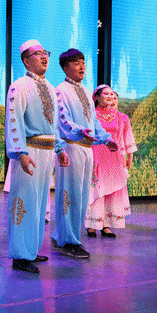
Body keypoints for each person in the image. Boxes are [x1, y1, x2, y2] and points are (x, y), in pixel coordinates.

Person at [5, 39, 69, 274]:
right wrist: (20, 152)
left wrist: (60, 148)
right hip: (30, 149)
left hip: (47, 152)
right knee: (24, 201)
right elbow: (14, 120)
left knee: (40, 204)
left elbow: (55, 124)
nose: (44, 57)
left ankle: (30, 249)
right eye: (38, 53)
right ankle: (20, 255)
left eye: (46, 53)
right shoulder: (19, 86)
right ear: (26, 60)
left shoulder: (50, 88)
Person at [52, 49, 118, 259]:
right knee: (69, 196)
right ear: (65, 68)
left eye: (83, 62)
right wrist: (80, 132)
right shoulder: (61, 90)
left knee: (81, 197)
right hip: (72, 147)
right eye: (76, 63)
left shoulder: (85, 91)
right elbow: (62, 120)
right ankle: (69, 241)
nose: (81, 66)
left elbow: (93, 121)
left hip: (86, 149)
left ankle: (62, 235)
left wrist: (105, 138)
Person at [86, 85, 137, 237]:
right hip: (96, 154)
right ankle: (92, 223)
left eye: (111, 94)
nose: (109, 96)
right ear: (96, 97)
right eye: (105, 94)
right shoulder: (91, 114)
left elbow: (123, 137)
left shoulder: (119, 116)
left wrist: (128, 155)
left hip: (113, 156)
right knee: (96, 188)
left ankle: (106, 224)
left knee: (111, 190)